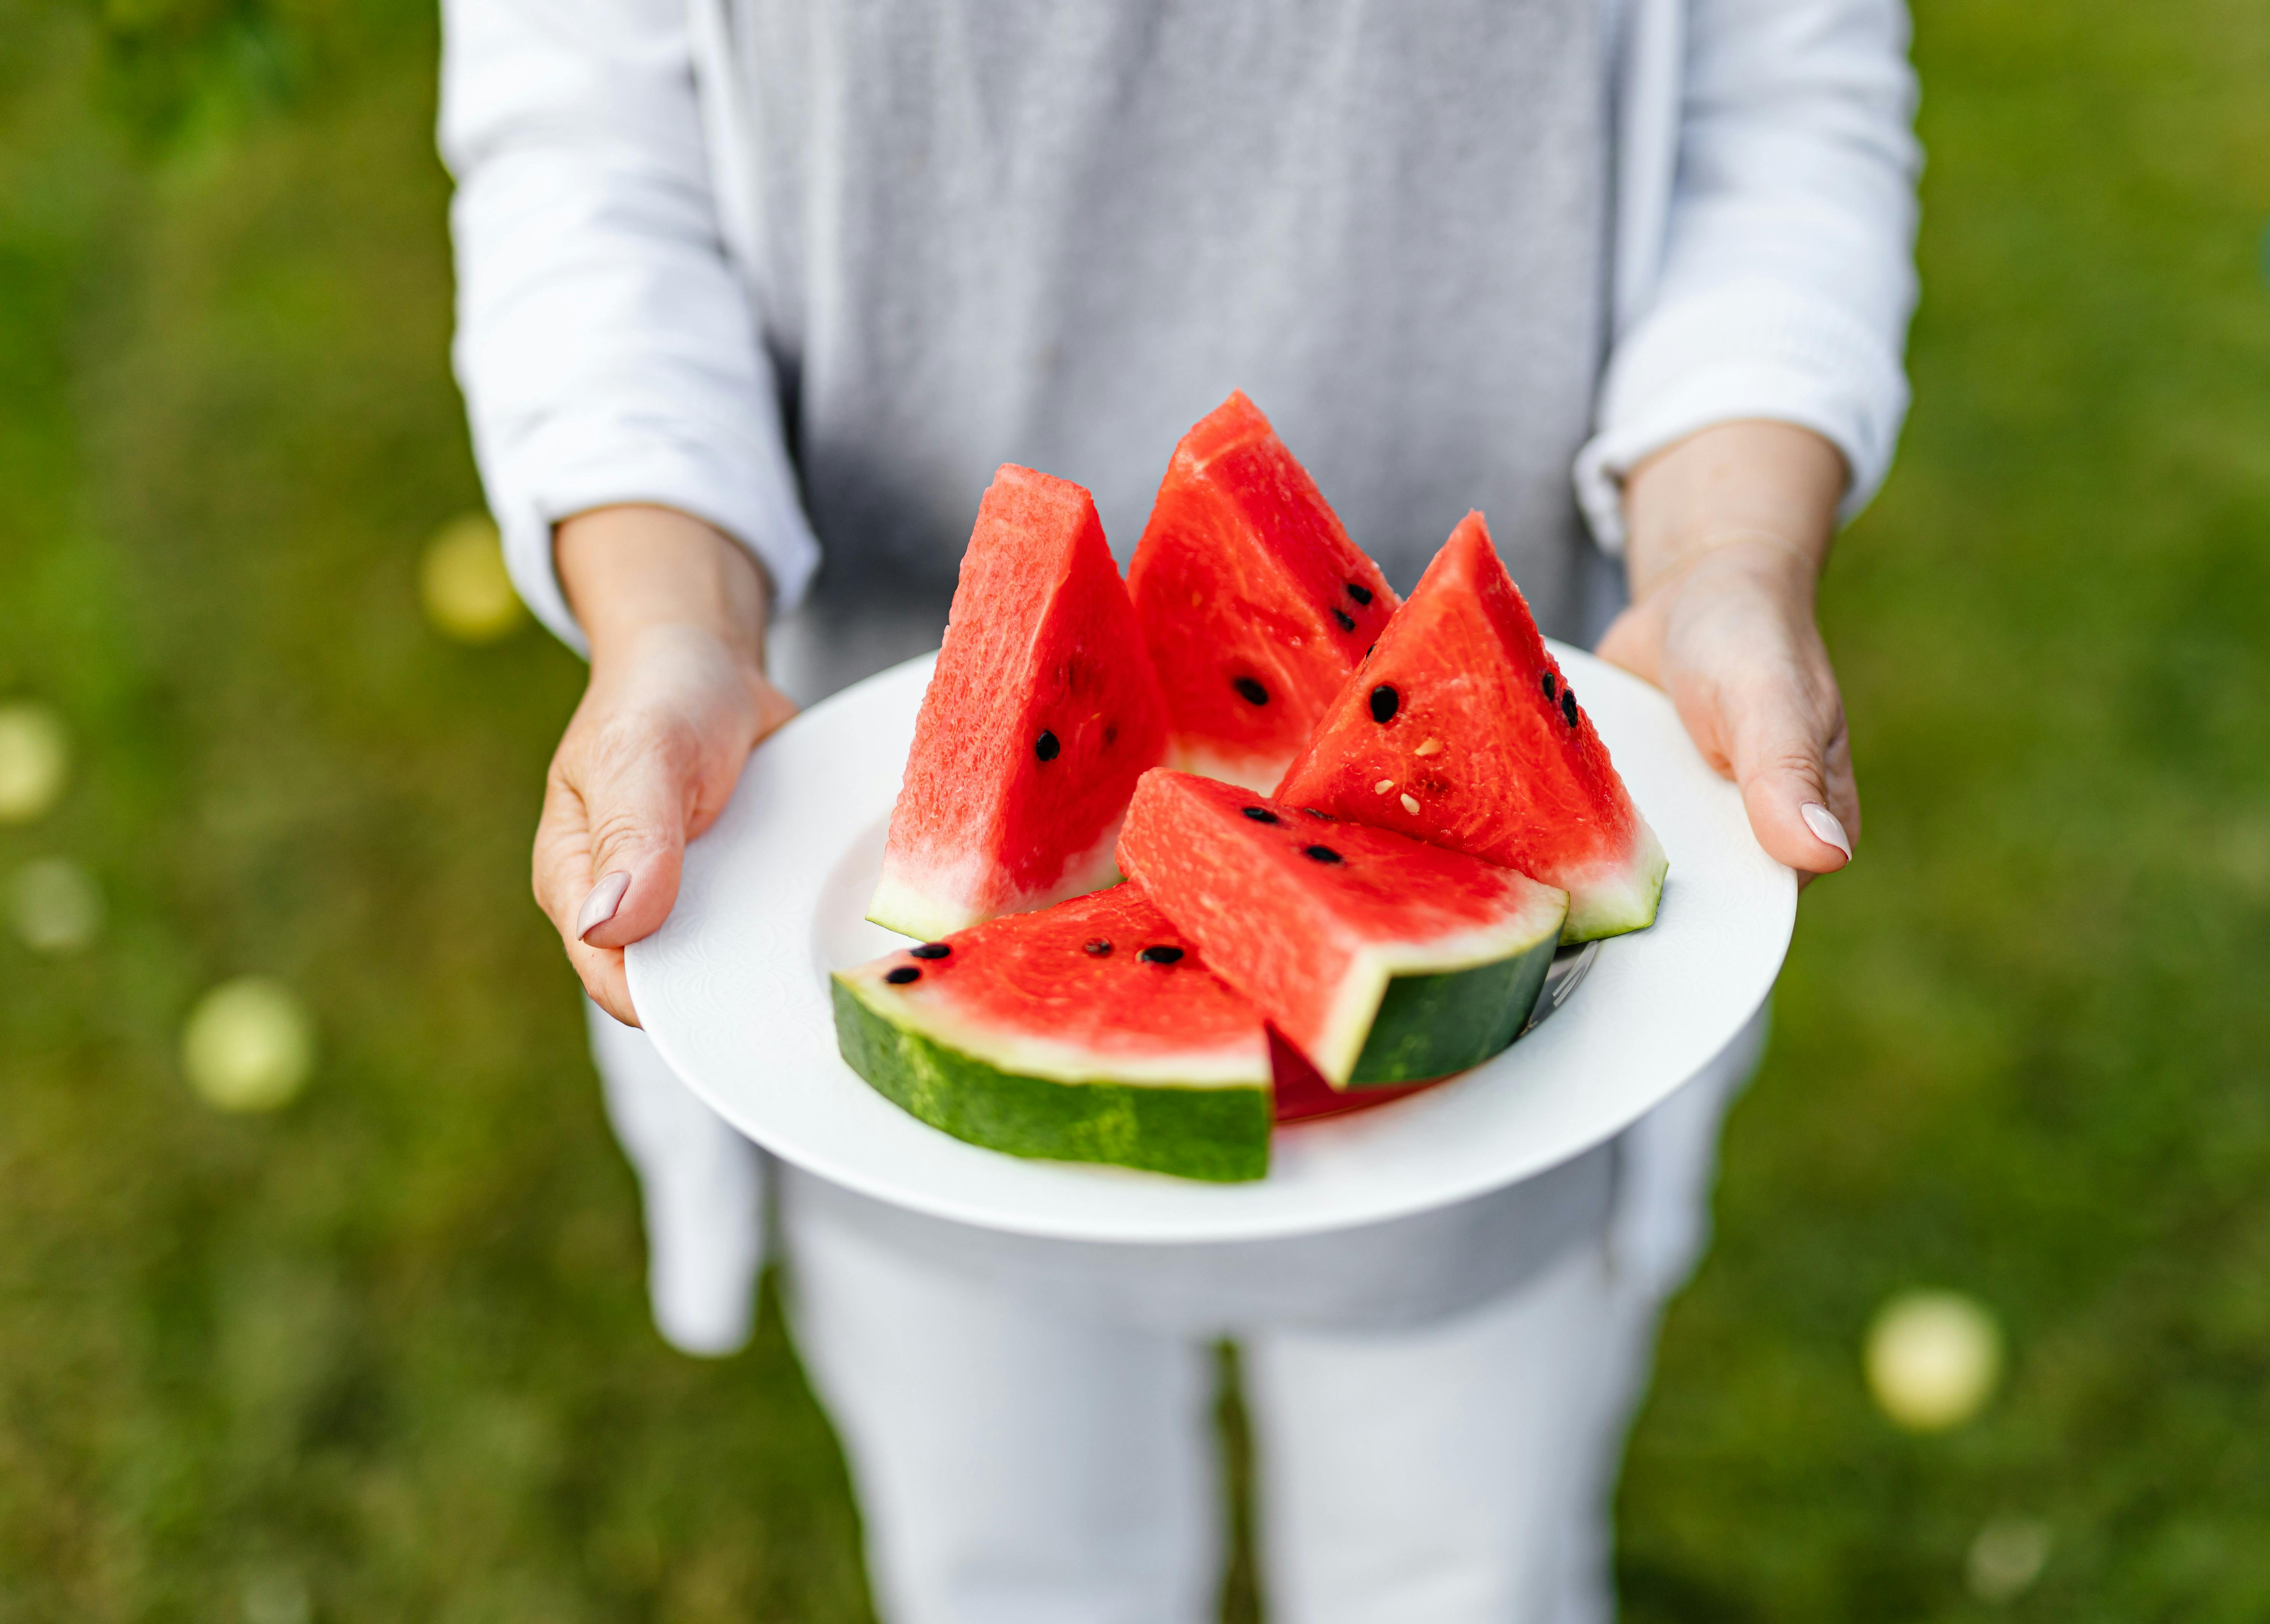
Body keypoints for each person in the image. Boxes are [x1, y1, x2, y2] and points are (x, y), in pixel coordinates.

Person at [440, 2, 1917, 1618]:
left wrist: (1723, 558)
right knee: (1011, 1564)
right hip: (846, 810)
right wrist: (672, 625)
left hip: (1503, 1011)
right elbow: (591, 155)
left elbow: (1773, 107)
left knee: (1458, 1569)